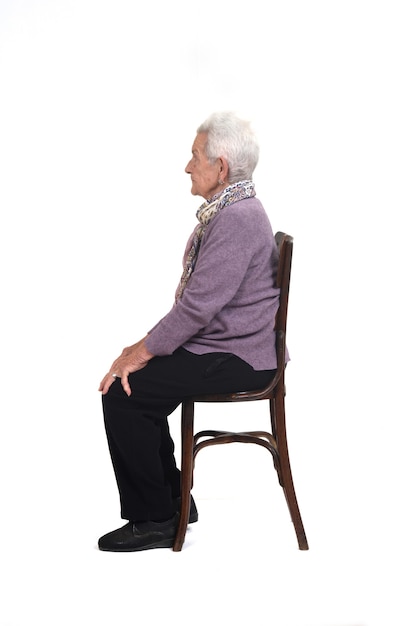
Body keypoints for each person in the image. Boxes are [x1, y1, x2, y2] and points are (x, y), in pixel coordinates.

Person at [98, 111, 279, 552]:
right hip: (231, 346)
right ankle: (176, 502)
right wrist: (143, 348)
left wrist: (141, 352)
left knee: (126, 394)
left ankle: (156, 518)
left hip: (241, 358)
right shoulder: (233, 210)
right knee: (136, 385)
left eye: (195, 156)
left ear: (220, 166)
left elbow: (197, 308)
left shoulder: (238, 218)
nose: (187, 166)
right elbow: (200, 306)